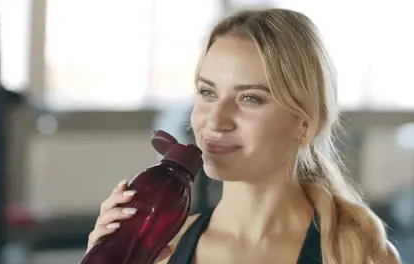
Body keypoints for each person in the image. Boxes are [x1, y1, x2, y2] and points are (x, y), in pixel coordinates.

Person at [86, 8, 401, 264]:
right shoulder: (162, 250)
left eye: (250, 98)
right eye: (207, 92)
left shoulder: (359, 255)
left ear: (303, 123)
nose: (215, 120)